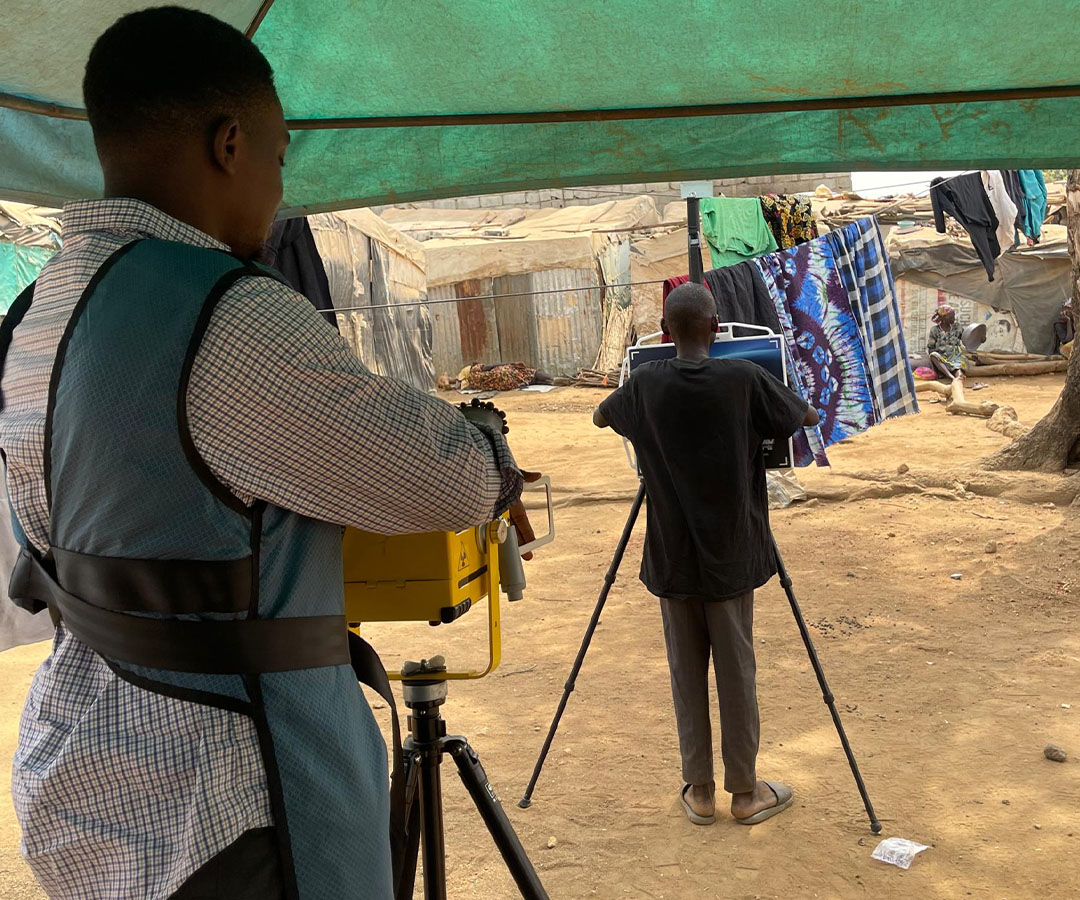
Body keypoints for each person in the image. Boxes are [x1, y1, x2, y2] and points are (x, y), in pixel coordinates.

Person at [0, 8, 536, 900]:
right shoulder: (228, 313)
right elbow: (450, 479)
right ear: (230, 143)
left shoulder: (38, 312)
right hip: (231, 796)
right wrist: (490, 447)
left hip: (83, 766)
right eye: (279, 161)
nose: (279, 196)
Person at [592, 282, 819, 827]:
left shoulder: (644, 383)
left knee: (684, 671)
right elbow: (804, 417)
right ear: (717, 330)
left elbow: (603, 417)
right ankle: (745, 793)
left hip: (673, 557)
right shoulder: (744, 378)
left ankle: (698, 790)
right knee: (736, 671)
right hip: (732, 554)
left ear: (666, 334)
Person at [927, 304, 967, 380]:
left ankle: (959, 375)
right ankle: (950, 376)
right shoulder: (935, 330)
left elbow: (966, 338)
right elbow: (931, 348)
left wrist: (980, 338)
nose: (954, 318)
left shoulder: (957, 327)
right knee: (933, 355)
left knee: (958, 361)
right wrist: (940, 354)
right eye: (951, 316)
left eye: (954, 316)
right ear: (944, 318)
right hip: (941, 355)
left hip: (954, 354)